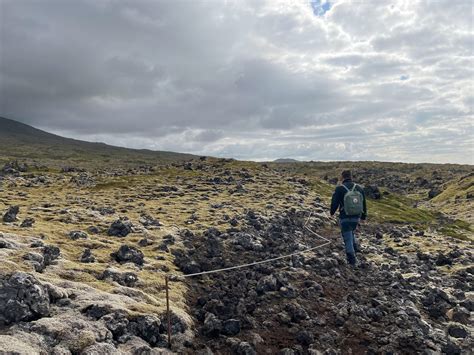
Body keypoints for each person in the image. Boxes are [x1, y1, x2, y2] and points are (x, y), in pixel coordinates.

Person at [330, 170, 367, 266]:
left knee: (347, 237)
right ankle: (356, 248)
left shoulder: (339, 189)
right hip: (356, 217)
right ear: (351, 176)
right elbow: (363, 203)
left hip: (345, 216)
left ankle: (352, 260)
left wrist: (332, 212)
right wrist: (363, 216)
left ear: (342, 177)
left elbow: (334, 203)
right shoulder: (359, 188)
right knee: (351, 231)